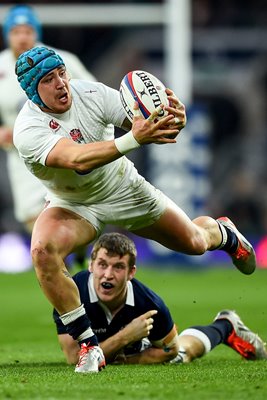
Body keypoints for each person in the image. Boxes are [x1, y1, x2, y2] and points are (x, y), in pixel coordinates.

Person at [13, 45, 257, 373]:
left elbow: (140, 119)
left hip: (124, 189)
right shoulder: (27, 129)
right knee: (43, 250)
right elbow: (76, 159)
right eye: (48, 79)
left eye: (61, 73)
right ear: (32, 91)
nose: (60, 83)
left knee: (196, 243)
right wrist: (133, 139)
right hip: (73, 203)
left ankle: (224, 233)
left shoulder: (91, 93)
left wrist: (169, 117)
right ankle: (88, 346)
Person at [53, 232, 267, 366]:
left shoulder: (150, 305)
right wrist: (125, 336)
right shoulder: (70, 294)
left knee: (181, 354)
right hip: (123, 342)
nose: (108, 274)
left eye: (118, 267)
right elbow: (74, 358)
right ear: (91, 266)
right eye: (102, 265)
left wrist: (129, 359)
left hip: (141, 347)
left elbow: (169, 350)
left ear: (131, 273)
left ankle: (225, 327)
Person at [0, 5, 96, 252]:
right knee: (34, 218)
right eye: (16, 32)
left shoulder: (61, 61)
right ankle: (68, 261)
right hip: (22, 157)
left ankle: (70, 260)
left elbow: (94, 94)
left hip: (62, 149)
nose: (22, 37)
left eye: (28, 30)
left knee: (65, 209)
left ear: (36, 32)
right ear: (7, 35)